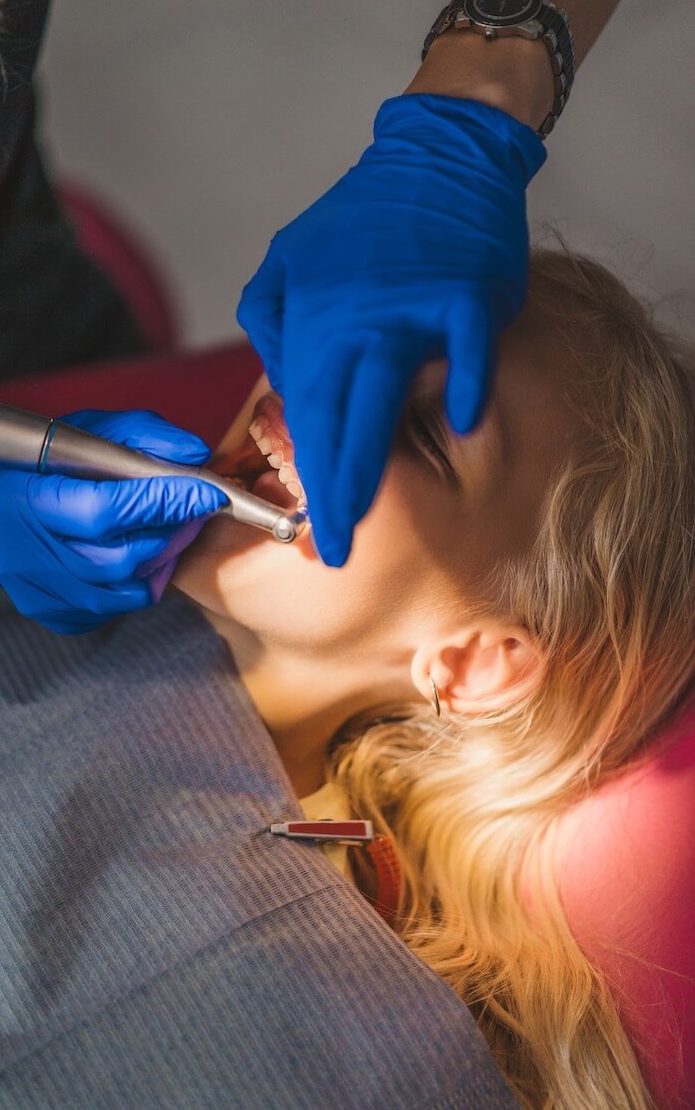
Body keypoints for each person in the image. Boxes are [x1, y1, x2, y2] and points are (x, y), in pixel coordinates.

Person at [0, 0, 657, 624]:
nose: (326, 395)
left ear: (471, 669)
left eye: (374, 349)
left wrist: (476, 100)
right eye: (426, 432)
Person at [172, 241, 695, 1110]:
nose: (324, 386)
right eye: (367, 339)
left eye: (422, 433)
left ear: (477, 663)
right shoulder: (32, 567)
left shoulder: (326, 974)